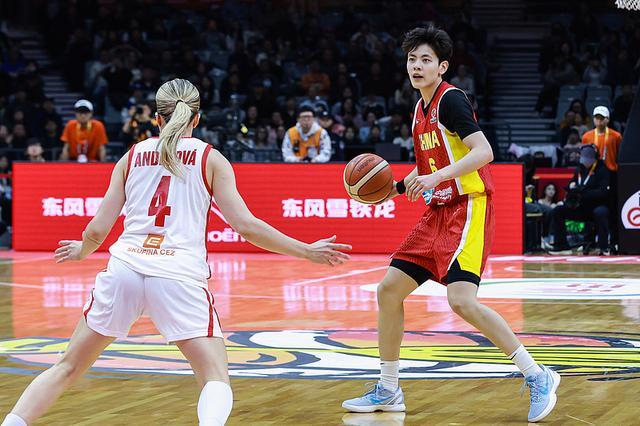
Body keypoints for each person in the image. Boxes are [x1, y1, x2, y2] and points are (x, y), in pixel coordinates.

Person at [1, 79, 351, 426]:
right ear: (196, 118)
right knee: (214, 377)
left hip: (124, 269)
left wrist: (82, 250)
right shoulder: (210, 159)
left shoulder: (131, 156)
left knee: (67, 367)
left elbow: (96, 230)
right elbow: (246, 226)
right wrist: (307, 251)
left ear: (156, 118)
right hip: (178, 274)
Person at [341, 26, 560, 423]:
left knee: (461, 301)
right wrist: (392, 190)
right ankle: (388, 388)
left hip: (469, 207)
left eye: (425, 60)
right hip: (438, 212)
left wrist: (437, 178)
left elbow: (484, 151)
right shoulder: (418, 110)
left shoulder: (451, 100)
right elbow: (427, 168)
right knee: (388, 290)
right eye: (412, 59)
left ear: (442, 67)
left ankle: (536, 374)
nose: (417, 66)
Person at [547, 144, 611, 256]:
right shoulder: (579, 169)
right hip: (581, 207)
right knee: (558, 211)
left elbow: (603, 192)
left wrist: (583, 192)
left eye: (588, 158)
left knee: (600, 212)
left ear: (594, 158)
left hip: (596, 205)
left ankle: (603, 247)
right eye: (583, 157)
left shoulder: (602, 170)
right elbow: (572, 184)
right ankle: (561, 246)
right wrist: (571, 186)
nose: (585, 161)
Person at [581, 106, 621, 174]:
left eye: (602, 118)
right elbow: (585, 156)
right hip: (593, 172)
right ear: (593, 119)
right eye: (597, 118)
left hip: (611, 171)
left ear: (608, 119)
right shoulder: (586, 136)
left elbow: (620, 155)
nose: (599, 120)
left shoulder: (616, 136)